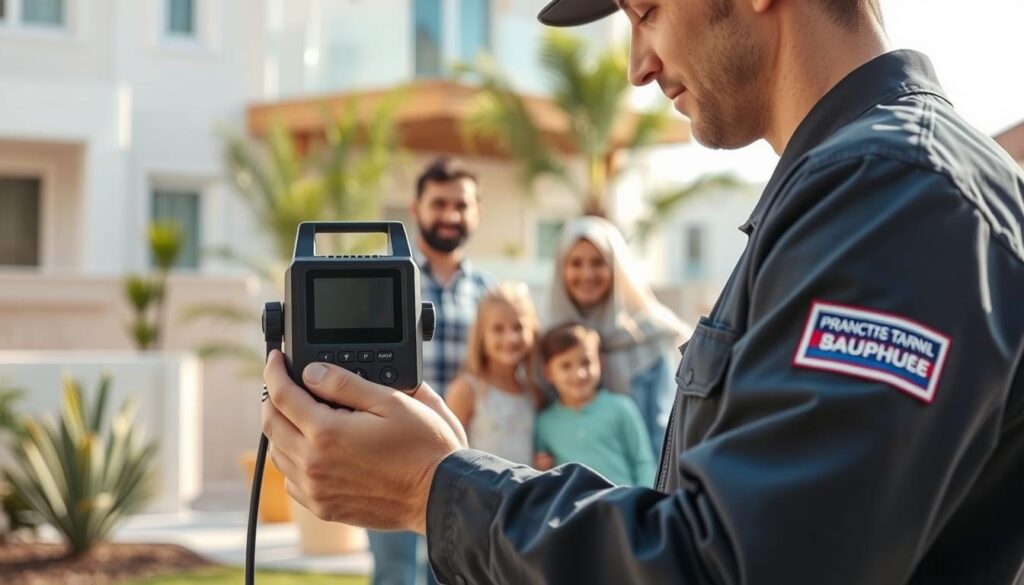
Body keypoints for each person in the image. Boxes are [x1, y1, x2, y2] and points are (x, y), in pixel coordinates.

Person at [261, 0, 1024, 583]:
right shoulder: (853, 190)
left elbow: (736, 563)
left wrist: (435, 488)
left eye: (646, 10)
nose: (637, 65)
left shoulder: (897, 195)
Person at [367, 157, 493, 585]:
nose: (450, 215)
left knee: (454, 572)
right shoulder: (383, 285)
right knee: (395, 573)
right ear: (416, 208)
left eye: (461, 205)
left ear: (476, 212)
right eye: (439, 203)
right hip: (390, 451)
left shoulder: (491, 295)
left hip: (464, 460)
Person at [548, 215, 690, 457]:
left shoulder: (649, 335)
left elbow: (664, 429)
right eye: (576, 263)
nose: (587, 274)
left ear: (616, 268)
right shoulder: (548, 339)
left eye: (598, 262)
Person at [534, 323, 656, 486]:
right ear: (548, 372)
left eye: (586, 362)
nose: (579, 373)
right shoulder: (544, 423)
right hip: (576, 510)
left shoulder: (621, 407)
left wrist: (644, 503)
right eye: (566, 366)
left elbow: (644, 462)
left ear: (600, 362)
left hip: (625, 505)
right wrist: (542, 469)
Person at [445, 282, 542, 465]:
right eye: (498, 329)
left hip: (526, 491)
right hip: (482, 491)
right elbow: (449, 453)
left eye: (518, 327)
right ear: (482, 335)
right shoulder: (467, 389)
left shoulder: (533, 393)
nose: (510, 338)